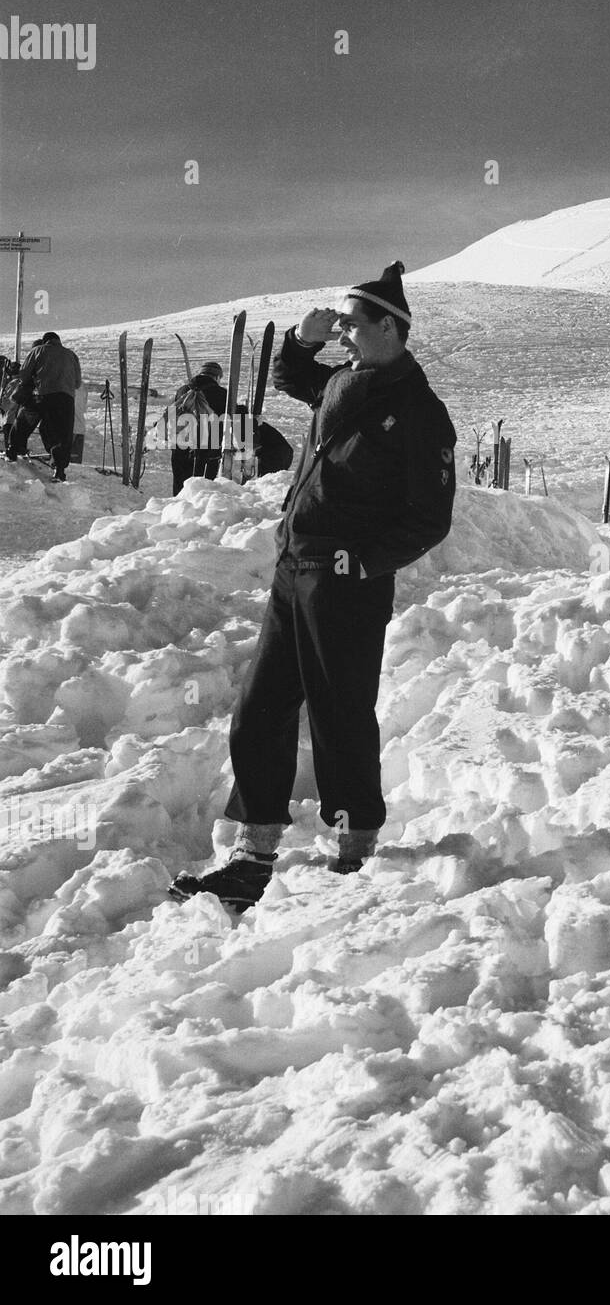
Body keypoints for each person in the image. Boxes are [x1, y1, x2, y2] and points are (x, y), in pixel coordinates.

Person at [170, 262, 456, 911]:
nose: (345, 335)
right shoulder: (340, 383)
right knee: (259, 710)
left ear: (391, 327)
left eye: (354, 325)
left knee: (338, 710)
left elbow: (428, 517)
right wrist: (303, 339)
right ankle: (253, 855)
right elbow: (294, 376)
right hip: (293, 571)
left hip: (347, 582)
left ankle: (354, 847)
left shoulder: (417, 410)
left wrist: (367, 559)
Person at [8, 332, 81, 479]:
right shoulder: (72, 355)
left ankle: (13, 451)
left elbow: (24, 375)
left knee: (24, 421)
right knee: (60, 434)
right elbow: (77, 383)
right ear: (58, 341)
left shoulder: (38, 350)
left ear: (45, 341)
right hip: (66, 400)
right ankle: (59, 470)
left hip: (42, 395)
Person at [170, 361, 229, 494]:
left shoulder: (183, 390)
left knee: (180, 492)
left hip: (180, 448)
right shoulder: (222, 394)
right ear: (217, 377)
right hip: (208, 452)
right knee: (202, 494)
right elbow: (231, 417)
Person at [234, 403, 295, 478]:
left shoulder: (245, 424)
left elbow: (252, 446)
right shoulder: (251, 423)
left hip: (275, 455)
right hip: (283, 454)